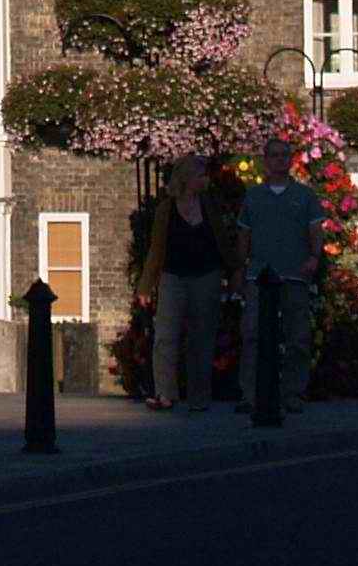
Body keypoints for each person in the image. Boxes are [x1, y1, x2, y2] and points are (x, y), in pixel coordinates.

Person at [134, 154, 234, 412]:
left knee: (202, 338)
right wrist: (146, 285)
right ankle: (165, 393)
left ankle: (199, 397)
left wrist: (234, 271)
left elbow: (222, 240)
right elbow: (157, 248)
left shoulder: (209, 205)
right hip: (173, 276)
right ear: (188, 178)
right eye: (201, 175)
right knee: (166, 335)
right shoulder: (166, 209)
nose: (206, 179)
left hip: (206, 276)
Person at [238, 133, 324, 413]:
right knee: (253, 336)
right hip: (259, 276)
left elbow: (315, 230)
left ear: (291, 160)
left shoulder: (305, 196)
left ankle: (293, 394)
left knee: (297, 338)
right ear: (266, 160)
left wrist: (314, 257)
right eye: (274, 155)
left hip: (295, 274)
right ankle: (251, 395)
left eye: (284, 155)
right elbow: (244, 234)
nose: (279, 160)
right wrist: (240, 268)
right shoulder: (253, 196)